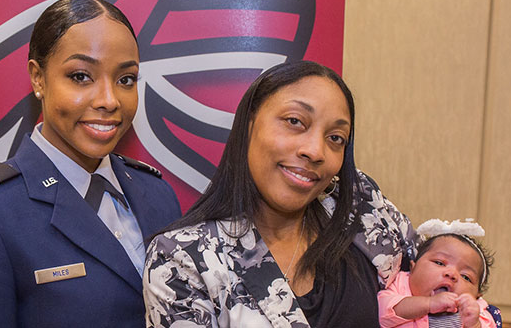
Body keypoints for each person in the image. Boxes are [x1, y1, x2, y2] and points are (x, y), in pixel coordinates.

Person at [0, 0, 181, 327]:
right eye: (81, 76)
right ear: (38, 78)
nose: (109, 100)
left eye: (126, 80)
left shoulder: (158, 196)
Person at [143, 60, 420, 327]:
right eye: (295, 121)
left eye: (335, 137)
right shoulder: (183, 259)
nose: (315, 151)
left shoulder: (360, 205)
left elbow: (437, 270)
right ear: (249, 123)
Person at [379, 219, 497, 328]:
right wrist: (429, 304)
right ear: (413, 268)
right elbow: (381, 314)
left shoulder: (476, 310)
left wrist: (473, 324)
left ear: (477, 295)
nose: (452, 274)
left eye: (466, 276)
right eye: (439, 263)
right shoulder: (401, 284)